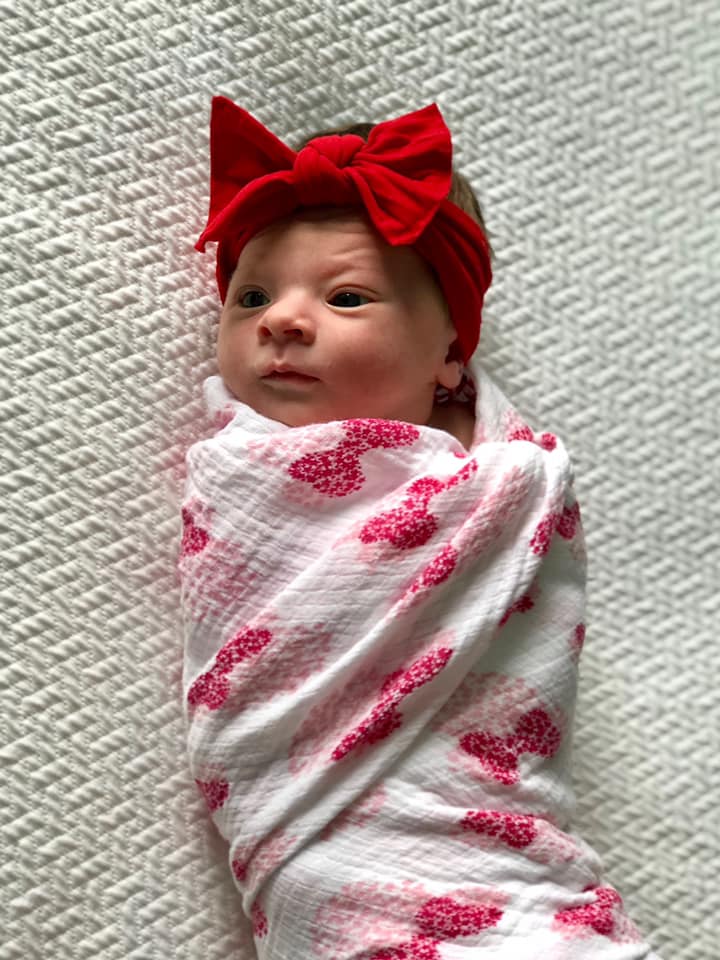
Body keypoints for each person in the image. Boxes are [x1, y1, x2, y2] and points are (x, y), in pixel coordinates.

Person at [178, 96, 663, 959]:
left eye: (348, 296)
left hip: (500, 871)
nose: (281, 319)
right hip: (325, 874)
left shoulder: (505, 491)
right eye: (250, 294)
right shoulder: (238, 474)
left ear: (449, 356)